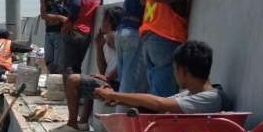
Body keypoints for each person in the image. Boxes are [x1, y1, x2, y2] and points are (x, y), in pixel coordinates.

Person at [116, 0, 182, 97]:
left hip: (122, 30)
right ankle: (126, 121)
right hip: (136, 32)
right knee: (131, 92)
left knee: (125, 86)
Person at [95, 40, 226, 114]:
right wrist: (119, 100)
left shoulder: (210, 98)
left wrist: (113, 95)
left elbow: (158, 103)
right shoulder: (191, 94)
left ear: (183, 71)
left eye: (175, 70)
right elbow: (155, 102)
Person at [57, 6, 123, 132]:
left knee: (72, 79)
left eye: (104, 20)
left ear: (110, 21)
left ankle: (72, 124)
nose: (101, 23)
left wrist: (109, 77)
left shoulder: (112, 36)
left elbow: (125, 60)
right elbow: (104, 69)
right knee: (92, 78)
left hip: (116, 83)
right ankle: (83, 122)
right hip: (112, 80)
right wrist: (99, 48)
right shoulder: (107, 39)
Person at [60, 0, 103, 75]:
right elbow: (100, 7)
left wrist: (70, 21)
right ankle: (76, 90)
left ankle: (69, 90)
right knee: (78, 65)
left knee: (68, 66)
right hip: (88, 34)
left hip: (74, 31)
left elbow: (75, 6)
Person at [39, 0, 68, 74]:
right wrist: (59, 18)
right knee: (48, 60)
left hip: (60, 33)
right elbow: (43, 15)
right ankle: (52, 80)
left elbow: (68, 16)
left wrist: (51, 17)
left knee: (58, 62)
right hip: (49, 32)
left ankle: (56, 83)